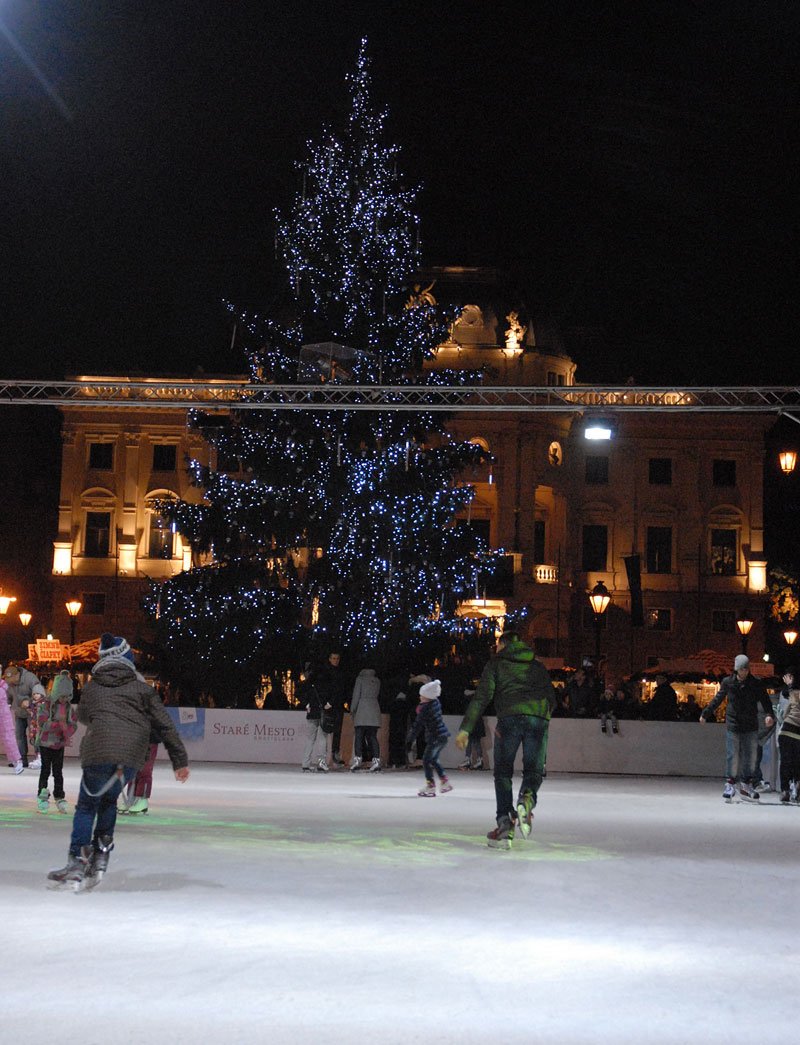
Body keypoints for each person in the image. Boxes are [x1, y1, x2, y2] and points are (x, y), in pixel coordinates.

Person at [47, 633, 189, 891]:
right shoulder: (143, 689)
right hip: (131, 756)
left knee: (87, 807)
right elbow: (165, 725)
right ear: (127, 659)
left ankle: (77, 860)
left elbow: (85, 717)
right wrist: (180, 761)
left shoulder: (91, 687)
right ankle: (101, 854)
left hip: (99, 752)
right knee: (109, 801)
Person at [456, 631, 557, 850]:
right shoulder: (537, 666)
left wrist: (466, 729)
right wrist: (542, 718)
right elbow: (551, 697)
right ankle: (527, 799)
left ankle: (504, 824)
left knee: (502, 773)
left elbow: (482, 697)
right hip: (537, 719)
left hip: (509, 719)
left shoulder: (496, 664)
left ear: (503, 644)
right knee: (533, 771)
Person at [700, 653, 774, 802]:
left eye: (746, 670)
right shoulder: (728, 682)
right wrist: (705, 714)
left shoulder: (755, 683)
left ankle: (746, 785)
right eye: (741, 670)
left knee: (751, 757)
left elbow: (765, 700)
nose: (744, 672)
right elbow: (718, 698)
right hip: (733, 724)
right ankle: (730, 784)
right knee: (732, 755)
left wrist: (769, 714)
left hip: (751, 725)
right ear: (736, 669)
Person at [31, 668, 77, 813]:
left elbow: (73, 723)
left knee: (58, 771)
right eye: (62, 696)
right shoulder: (46, 704)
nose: (64, 699)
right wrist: (59, 725)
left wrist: (67, 730)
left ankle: (59, 795)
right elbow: (42, 722)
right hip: (45, 743)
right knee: (45, 770)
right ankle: (42, 794)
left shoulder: (69, 707)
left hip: (59, 744)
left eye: (67, 696)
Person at [406, 679, 453, 796]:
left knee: (426, 761)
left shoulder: (426, 710)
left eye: (422, 696)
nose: (420, 698)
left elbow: (417, 726)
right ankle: (445, 782)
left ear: (428, 697)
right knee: (434, 760)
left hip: (435, 738)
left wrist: (409, 740)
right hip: (442, 737)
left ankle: (430, 786)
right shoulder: (435, 703)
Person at [3, 664, 45, 769]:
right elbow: (7, 697)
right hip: (19, 713)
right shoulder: (9, 684)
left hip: (32, 713)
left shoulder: (30, 677)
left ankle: (39, 757)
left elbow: (39, 691)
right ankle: (21, 759)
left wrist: (31, 702)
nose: (9, 681)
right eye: (7, 679)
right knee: (19, 736)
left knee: (35, 735)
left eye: (11, 678)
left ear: (17, 675)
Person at [317, 650, 349, 766]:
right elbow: (325, 688)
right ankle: (324, 757)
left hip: (338, 705)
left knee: (337, 730)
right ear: (330, 659)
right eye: (334, 658)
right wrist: (327, 702)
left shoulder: (341, 672)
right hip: (328, 705)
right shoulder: (325, 672)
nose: (336, 661)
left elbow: (342, 689)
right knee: (325, 731)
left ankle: (334, 753)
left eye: (337, 659)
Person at [349, 665, 381, 772]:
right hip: (374, 709)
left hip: (362, 709)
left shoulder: (360, 679)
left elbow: (356, 695)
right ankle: (376, 760)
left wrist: (352, 709)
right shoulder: (377, 680)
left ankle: (358, 760)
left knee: (359, 736)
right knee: (373, 736)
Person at [300, 663, 330, 773]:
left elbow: (301, 694)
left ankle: (305, 763)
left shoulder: (309, 683)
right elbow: (330, 695)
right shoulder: (326, 682)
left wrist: (307, 704)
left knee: (310, 739)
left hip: (312, 712)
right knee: (322, 738)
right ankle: (321, 762)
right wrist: (328, 705)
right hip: (323, 713)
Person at [777, 688, 800, 804]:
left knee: (785, 762)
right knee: (797, 763)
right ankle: (796, 788)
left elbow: (785, 715)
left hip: (786, 730)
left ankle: (785, 790)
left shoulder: (794, 694)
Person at [0, 665, 24, 773]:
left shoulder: (3, 687)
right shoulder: (4, 687)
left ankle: (17, 760)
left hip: (4, 714)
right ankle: (17, 761)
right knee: (9, 737)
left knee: (9, 737)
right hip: (4, 713)